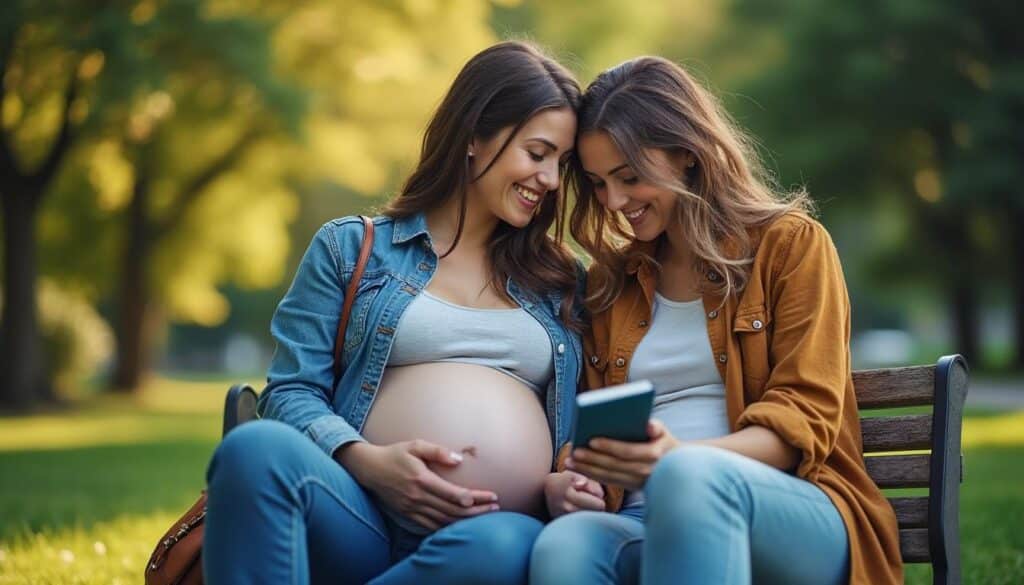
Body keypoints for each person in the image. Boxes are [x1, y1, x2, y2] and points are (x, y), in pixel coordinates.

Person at [202, 41, 586, 585]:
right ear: (474, 136)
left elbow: (586, 419)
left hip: (487, 538)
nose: (550, 180)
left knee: (507, 546)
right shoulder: (350, 249)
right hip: (357, 516)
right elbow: (290, 392)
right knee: (252, 448)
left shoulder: (562, 283)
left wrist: (563, 478)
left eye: (561, 163)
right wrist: (367, 462)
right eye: (538, 153)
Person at [530, 56, 902, 585]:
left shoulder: (790, 247)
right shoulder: (611, 283)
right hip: (641, 514)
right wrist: (575, 476)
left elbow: (804, 419)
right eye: (597, 184)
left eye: (629, 177)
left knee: (687, 478)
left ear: (686, 152)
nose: (613, 202)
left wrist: (676, 459)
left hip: (795, 507)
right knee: (565, 544)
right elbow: (594, 424)